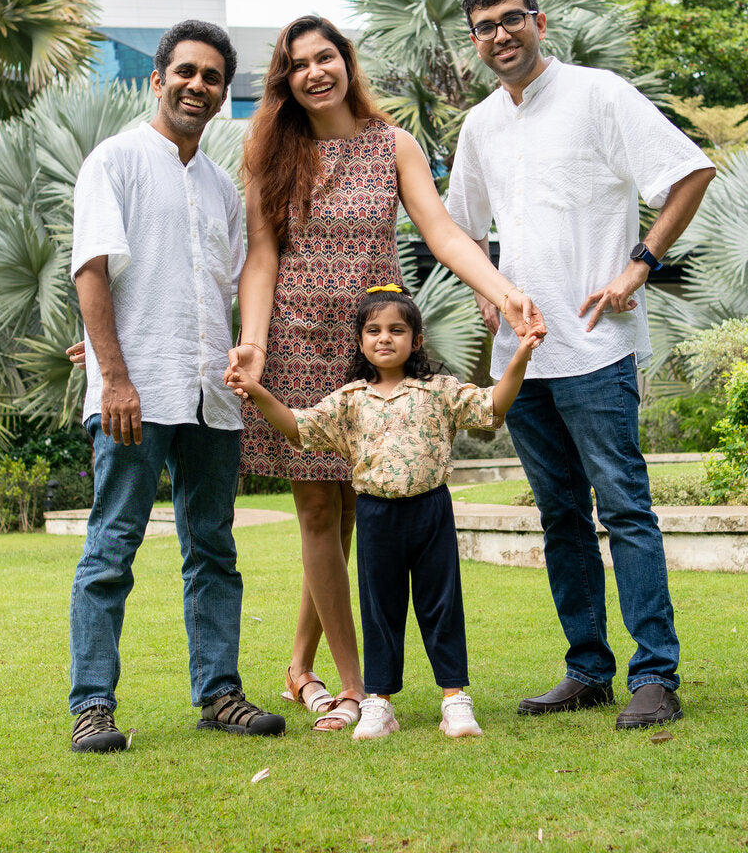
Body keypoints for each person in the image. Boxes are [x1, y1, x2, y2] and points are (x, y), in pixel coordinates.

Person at [230, 14, 546, 732]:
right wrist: (251, 345)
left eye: (326, 57)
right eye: (298, 63)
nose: (315, 71)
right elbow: (260, 258)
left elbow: (439, 230)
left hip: (376, 341)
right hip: (297, 343)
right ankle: (355, 688)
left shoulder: (391, 143)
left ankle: (300, 668)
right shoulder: (268, 153)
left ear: (346, 62)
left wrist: (503, 292)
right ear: (285, 79)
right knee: (320, 513)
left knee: (354, 512)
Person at [446, 0, 716, 729]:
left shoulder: (600, 94)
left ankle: (655, 675)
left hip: (596, 350)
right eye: (484, 27)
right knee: (560, 518)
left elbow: (692, 170)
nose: (500, 36)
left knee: (625, 509)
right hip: (522, 361)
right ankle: (587, 670)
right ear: (474, 41)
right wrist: (489, 295)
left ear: (538, 20)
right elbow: (462, 226)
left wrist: (640, 264)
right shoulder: (480, 127)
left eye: (511, 20)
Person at [68, 19, 285, 753]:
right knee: (112, 548)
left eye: (213, 77)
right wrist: (114, 376)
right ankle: (92, 705)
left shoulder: (222, 187)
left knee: (214, 550)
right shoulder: (116, 161)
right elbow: (92, 269)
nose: (199, 85)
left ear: (224, 95)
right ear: (157, 79)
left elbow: (207, 288)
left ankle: (219, 694)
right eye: (186, 72)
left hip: (210, 396)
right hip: (136, 395)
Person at [227, 286, 542, 739]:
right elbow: (299, 426)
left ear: (415, 340)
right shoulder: (349, 399)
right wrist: (256, 391)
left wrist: (522, 358)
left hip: (431, 511)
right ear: (359, 342)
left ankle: (455, 699)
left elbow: (494, 405)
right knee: (380, 610)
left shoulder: (439, 391)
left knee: (441, 605)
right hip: (376, 516)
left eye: (397, 329)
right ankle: (378, 702)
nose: (384, 338)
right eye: (373, 330)